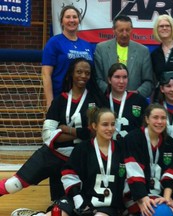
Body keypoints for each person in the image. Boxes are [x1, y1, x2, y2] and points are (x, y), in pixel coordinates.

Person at [2, 58, 105, 210]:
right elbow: (47, 136)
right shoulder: (59, 101)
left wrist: (68, 130)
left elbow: (96, 133)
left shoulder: (96, 101)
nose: (83, 76)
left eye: (87, 73)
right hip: (51, 155)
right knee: (13, 184)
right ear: (70, 74)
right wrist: (81, 133)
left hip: (78, 161)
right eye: (79, 72)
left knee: (67, 206)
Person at [11, 107, 126, 216]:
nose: (110, 129)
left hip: (107, 205)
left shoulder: (122, 149)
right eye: (105, 124)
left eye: (112, 124)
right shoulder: (82, 149)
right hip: (81, 199)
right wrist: (77, 199)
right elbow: (69, 174)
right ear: (94, 126)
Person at [123, 103, 173, 216]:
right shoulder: (133, 138)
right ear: (147, 119)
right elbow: (133, 171)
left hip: (159, 194)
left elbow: (170, 173)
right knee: (159, 212)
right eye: (155, 117)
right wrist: (143, 199)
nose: (160, 122)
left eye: (163, 118)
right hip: (135, 194)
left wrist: (167, 198)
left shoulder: (168, 142)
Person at [42, 5, 94, 109]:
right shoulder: (54, 42)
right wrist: (50, 102)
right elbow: (46, 74)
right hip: (61, 98)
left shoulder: (87, 45)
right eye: (68, 17)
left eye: (74, 17)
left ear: (79, 20)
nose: (72, 20)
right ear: (61, 21)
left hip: (84, 99)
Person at [94, 14, 154, 98]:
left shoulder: (143, 51)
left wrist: (135, 94)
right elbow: (97, 79)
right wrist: (111, 93)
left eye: (127, 30)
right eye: (121, 30)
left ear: (132, 30)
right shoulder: (101, 48)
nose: (125, 34)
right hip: (107, 100)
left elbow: (148, 82)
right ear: (114, 30)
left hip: (133, 102)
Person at [106, 62, 149, 141]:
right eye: (117, 77)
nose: (121, 81)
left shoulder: (139, 100)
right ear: (109, 79)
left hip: (133, 149)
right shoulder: (102, 101)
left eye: (125, 77)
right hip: (108, 149)